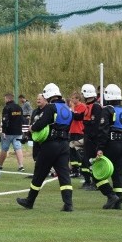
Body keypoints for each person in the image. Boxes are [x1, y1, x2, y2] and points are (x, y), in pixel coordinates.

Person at [16, 83, 74, 212]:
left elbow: (41, 123)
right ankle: (68, 204)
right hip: (64, 144)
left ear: (48, 95)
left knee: (39, 174)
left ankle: (29, 201)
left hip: (50, 144)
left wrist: (32, 128)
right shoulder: (67, 109)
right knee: (64, 174)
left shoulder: (50, 108)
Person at [94, 84, 122, 210]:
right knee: (118, 173)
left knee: (96, 172)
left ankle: (110, 195)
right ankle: (119, 201)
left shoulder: (107, 109)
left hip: (111, 144)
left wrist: (100, 148)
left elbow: (103, 130)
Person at [79, 83, 102, 190]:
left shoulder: (96, 107)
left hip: (93, 138)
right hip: (88, 137)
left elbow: (96, 124)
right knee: (86, 160)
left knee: (93, 161)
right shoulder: (88, 106)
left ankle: (95, 182)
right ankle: (88, 181)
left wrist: (91, 136)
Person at [0, 92, 25, 172]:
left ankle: (0, 165)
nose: (4, 100)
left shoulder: (7, 108)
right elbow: (22, 119)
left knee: (4, 149)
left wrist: (3, 131)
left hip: (8, 132)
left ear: (8, 98)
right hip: (18, 131)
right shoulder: (19, 107)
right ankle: (21, 166)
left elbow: (5, 120)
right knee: (18, 148)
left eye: (5, 98)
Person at [68, 92, 86, 178]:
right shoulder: (72, 107)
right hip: (72, 131)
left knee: (79, 151)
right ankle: (74, 169)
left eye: (73, 98)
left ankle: (82, 169)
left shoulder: (82, 107)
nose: (72, 100)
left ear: (78, 99)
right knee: (72, 151)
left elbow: (76, 117)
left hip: (80, 131)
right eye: (71, 98)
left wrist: (72, 108)